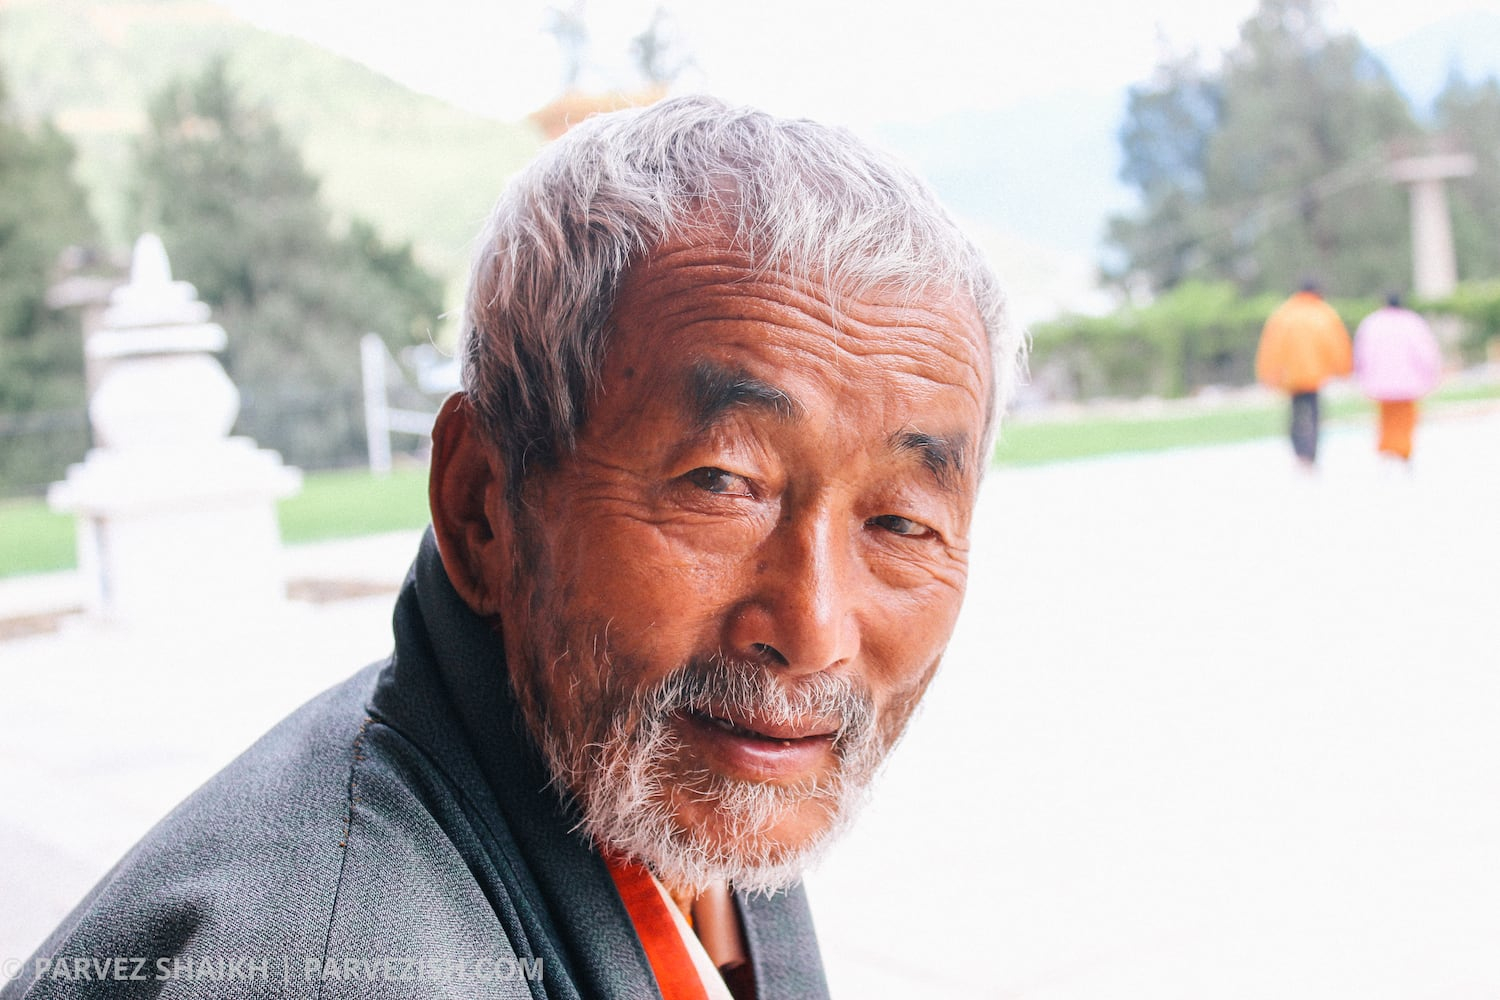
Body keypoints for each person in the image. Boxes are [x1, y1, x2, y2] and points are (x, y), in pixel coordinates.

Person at [2, 96, 1023, 1000]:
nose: (811, 629)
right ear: (483, 503)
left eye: (899, 521)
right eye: (721, 484)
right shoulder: (334, 956)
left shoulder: (667, 783)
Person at [1254, 279, 1353, 468]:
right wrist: (1344, 370)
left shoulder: (1284, 314)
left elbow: (1271, 347)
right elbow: (1337, 345)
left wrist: (1268, 374)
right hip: (1315, 376)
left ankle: (1299, 452)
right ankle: (1311, 453)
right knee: (1314, 415)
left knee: (1296, 414)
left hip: (1291, 377)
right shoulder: (1323, 313)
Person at [1353, 292, 1443, 464]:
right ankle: (1403, 450)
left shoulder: (1372, 323)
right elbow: (1425, 351)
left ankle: (1388, 449)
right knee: (1405, 418)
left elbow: (1362, 353)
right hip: (1409, 382)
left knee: (1386, 418)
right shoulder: (1412, 322)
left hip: (1380, 382)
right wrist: (1431, 374)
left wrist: (1362, 375)